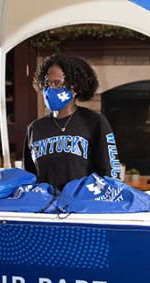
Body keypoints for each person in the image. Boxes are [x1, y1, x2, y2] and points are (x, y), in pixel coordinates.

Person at [23, 54, 121, 190]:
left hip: (82, 207)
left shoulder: (95, 122)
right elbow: (29, 178)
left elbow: (111, 175)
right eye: (46, 83)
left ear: (74, 88)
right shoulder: (35, 128)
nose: (50, 89)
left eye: (57, 83)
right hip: (46, 207)